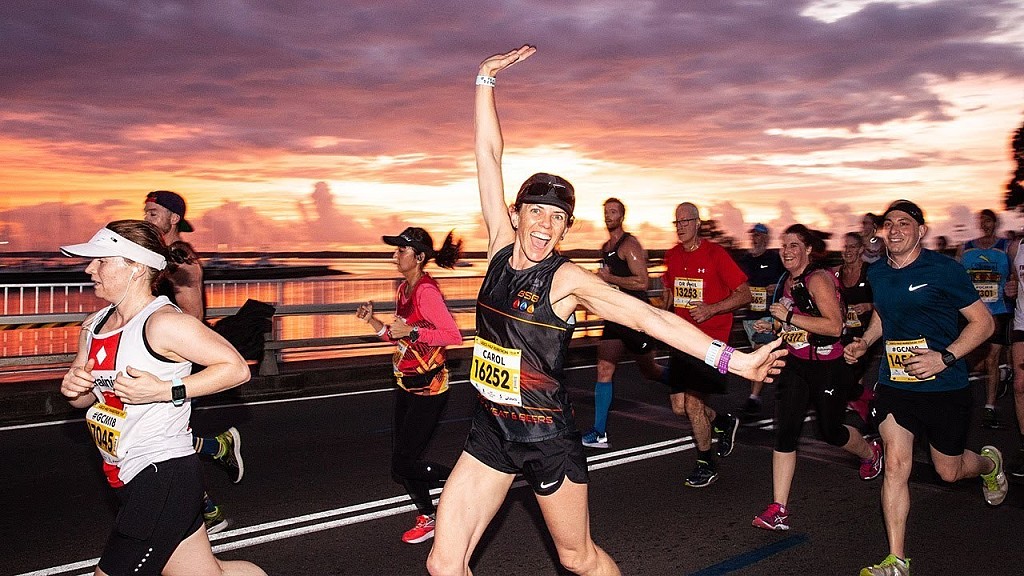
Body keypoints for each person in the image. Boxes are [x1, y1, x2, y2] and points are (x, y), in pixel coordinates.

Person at [425, 45, 786, 576]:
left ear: (566, 228)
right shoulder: (500, 246)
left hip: (545, 438)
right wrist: (484, 80)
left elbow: (650, 318)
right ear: (515, 214)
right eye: (536, 212)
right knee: (444, 564)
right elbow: (488, 157)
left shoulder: (566, 279)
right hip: (490, 430)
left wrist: (736, 360)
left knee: (579, 559)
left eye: (558, 218)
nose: (545, 225)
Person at [58, 220, 265, 576]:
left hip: (162, 473)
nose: (90, 269)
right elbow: (85, 399)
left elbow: (235, 369)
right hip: (122, 473)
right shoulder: (93, 326)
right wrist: (75, 389)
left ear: (136, 267)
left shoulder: (164, 324)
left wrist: (166, 390)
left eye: (101, 260)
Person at [845, 200, 1007, 576]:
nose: (895, 229)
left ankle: (989, 463)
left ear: (921, 231)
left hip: (944, 386)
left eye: (904, 223)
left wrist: (944, 358)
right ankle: (897, 561)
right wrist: (865, 342)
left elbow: (984, 324)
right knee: (896, 464)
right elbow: (884, 313)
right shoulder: (878, 272)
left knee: (948, 471)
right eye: (889, 223)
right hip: (896, 383)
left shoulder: (944, 270)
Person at [749, 225, 883, 531]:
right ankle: (778, 508)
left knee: (830, 431)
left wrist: (787, 317)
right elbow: (793, 324)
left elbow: (834, 326)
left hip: (827, 367)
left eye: (794, 245)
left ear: (808, 249)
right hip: (796, 365)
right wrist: (774, 326)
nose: (786, 251)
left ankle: (870, 452)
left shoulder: (818, 279)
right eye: (784, 245)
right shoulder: (786, 281)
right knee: (785, 431)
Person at [355, 226, 463, 544]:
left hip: (429, 388)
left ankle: (462, 484)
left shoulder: (426, 292)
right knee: (401, 464)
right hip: (406, 384)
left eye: (400, 251)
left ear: (418, 257)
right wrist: (373, 321)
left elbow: (453, 335)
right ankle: (428, 516)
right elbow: (398, 336)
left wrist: (414, 332)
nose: (394, 256)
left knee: (404, 462)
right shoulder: (404, 289)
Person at [144, 190, 243, 533]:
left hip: (180, 358)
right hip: (160, 354)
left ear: (173, 218)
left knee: (162, 438)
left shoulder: (179, 255)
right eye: (146, 212)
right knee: (159, 436)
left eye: (154, 213)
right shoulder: (160, 255)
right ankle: (216, 450)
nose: (147, 218)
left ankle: (208, 504)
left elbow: (194, 314)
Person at [662, 202, 748, 487]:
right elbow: (669, 291)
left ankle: (706, 463)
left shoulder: (715, 254)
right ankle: (723, 421)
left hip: (710, 342)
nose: (680, 227)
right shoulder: (673, 255)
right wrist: (658, 318)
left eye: (685, 221)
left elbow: (744, 294)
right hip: (680, 338)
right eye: (677, 222)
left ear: (698, 223)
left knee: (693, 405)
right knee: (679, 407)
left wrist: (712, 309)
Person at [581, 197, 665, 449]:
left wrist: (611, 278)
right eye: (606, 212)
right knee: (604, 369)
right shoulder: (605, 247)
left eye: (613, 212)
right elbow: (608, 280)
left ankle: (686, 382)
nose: (609, 216)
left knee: (650, 371)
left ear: (622, 216)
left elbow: (642, 282)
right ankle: (599, 432)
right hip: (615, 316)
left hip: (635, 316)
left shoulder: (630, 245)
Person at [957, 208, 1015, 429]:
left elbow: (1014, 276)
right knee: (970, 360)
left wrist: (1013, 288)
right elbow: (956, 278)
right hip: (972, 312)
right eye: (982, 221)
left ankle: (989, 407)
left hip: (998, 310)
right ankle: (999, 375)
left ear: (995, 223)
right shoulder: (966, 248)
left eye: (989, 221)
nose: (985, 225)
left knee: (992, 358)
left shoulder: (1006, 248)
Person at [736, 223, 785, 421]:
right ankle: (784, 381)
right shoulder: (745, 260)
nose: (755, 239)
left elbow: (788, 279)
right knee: (763, 356)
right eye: (753, 235)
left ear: (766, 238)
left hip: (768, 315)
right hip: (750, 316)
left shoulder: (775, 259)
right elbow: (737, 283)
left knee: (759, 352)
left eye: (758, 235)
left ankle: (753, 399)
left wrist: (777, 287)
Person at [834, 232, 879, 428]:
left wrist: (868, 306)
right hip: (846, 333)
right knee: (846, 378)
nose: (848, 251)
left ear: (861, 249)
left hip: (869, 334)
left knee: (847, 380)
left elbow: (886, 300)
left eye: (852, 247)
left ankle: (874, 406)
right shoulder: (837, 273)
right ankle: (871, 410)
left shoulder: (871, 272)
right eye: (845, 247)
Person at [1005, 233, 1024, 476]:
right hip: (1022, 323)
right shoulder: (1015, 248)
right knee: (1020, 386)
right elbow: (1013, 282)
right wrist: (1010, 290)